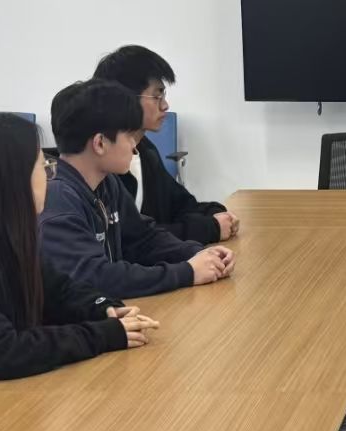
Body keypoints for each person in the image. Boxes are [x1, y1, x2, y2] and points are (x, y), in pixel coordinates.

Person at [0, 113, 159, 431]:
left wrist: (103, 308)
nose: (49, 178)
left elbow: (59, 290)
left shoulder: (2, 234)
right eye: (43, 167)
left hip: (4, 403)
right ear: (11, 177)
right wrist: (100, 336)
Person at [40, 79, 235, 298]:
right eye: (129, 136)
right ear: (100, 143)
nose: (135, 146)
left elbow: (143, 238)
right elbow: (96, 278)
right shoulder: (57, 198)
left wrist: (198, 254)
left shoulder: (107, 182)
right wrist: (187, 272)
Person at [93, 44, 239, 244]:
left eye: (164, 95)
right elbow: (132, 237)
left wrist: (216, 213)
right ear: (125, 99)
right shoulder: (104, 162)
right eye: (156, 96)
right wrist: (210, 228)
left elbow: (181, 205)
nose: (165, 105)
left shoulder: (145, 149)